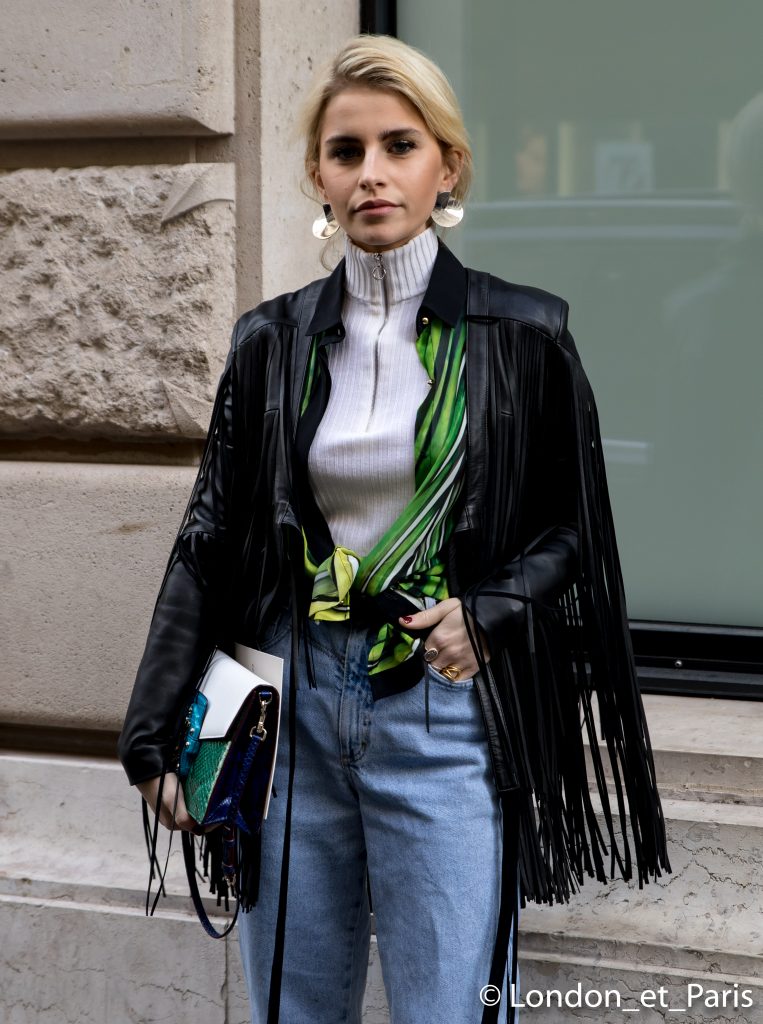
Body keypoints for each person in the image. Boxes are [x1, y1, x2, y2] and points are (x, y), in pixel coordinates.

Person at [117, 34, 670, 1024]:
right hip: (281, 702)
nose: (371, 172)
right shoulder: (269, 340)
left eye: (398, 145)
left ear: (444, 166)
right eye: (345, 151)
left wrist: (491, 609)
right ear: (317, 179)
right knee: (292, 1002)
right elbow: (211, 534)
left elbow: (573, 527)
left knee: (449, 1008)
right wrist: (158, 733)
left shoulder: (522, 334)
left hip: (442, 709)